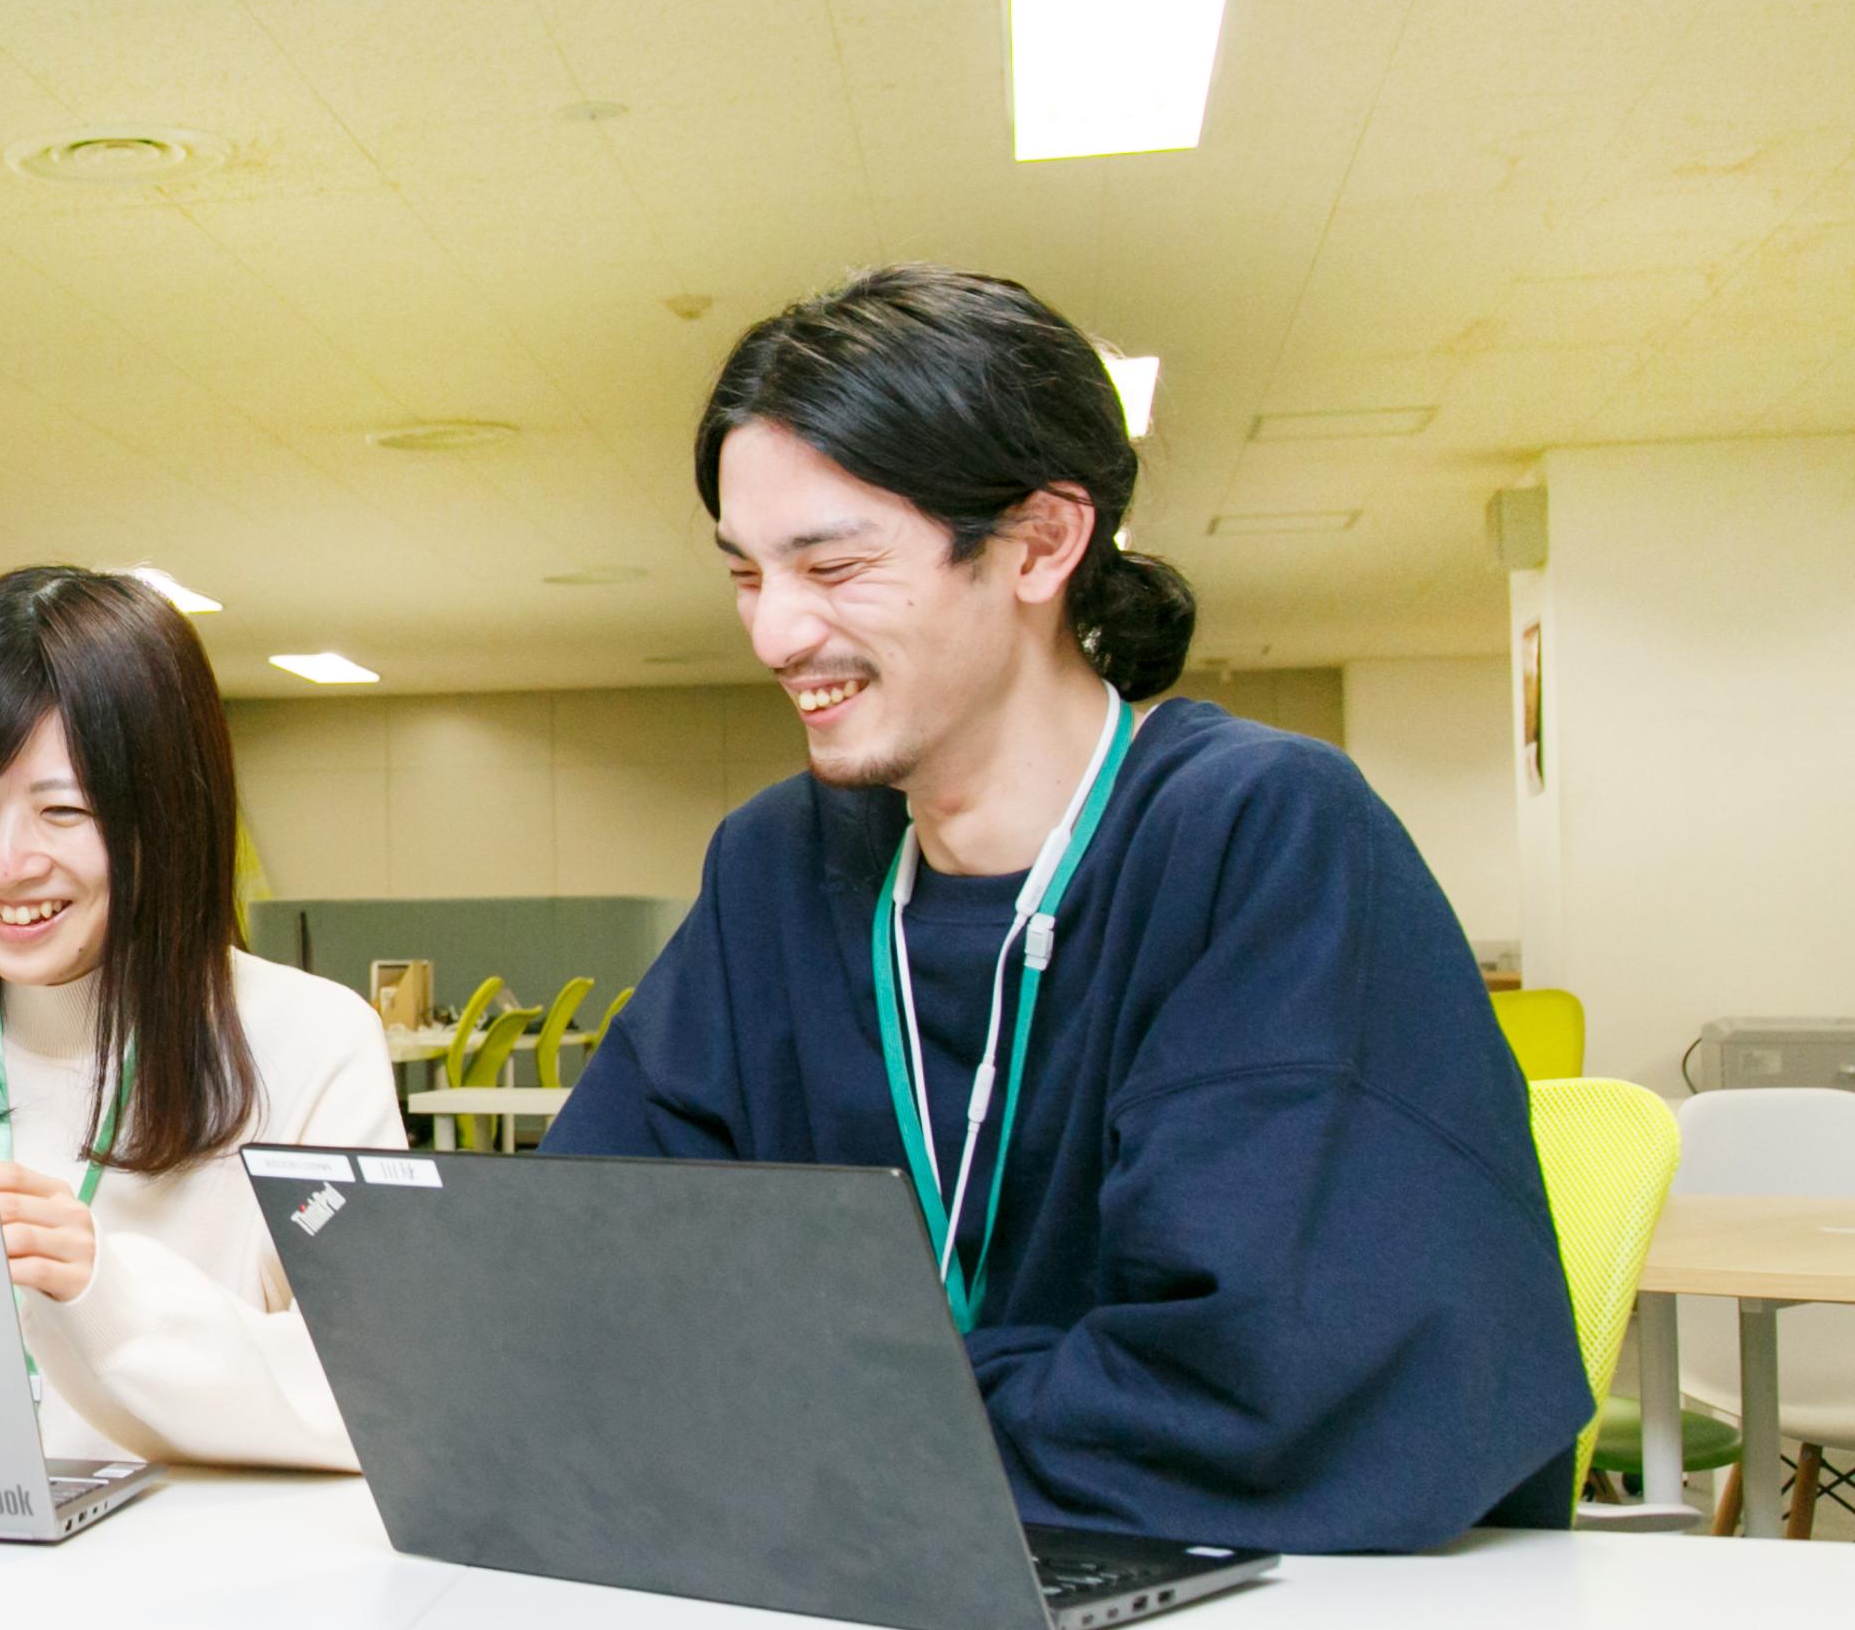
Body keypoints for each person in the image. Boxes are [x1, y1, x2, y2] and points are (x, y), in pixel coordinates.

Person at [542, 265, 1589, 1552]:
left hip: (1242, 1610)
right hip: (860, 1574)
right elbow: (585, 1268)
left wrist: (812, 1409)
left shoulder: (1259, 836)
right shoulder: (776, 867)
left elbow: (1270, 1389)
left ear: (1041, 542)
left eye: (835, 565)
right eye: (748, 575)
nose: (774, 636)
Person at [0, 567, 402, 1470]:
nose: (5, 863)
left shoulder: (311, 1041)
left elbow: (384, 1395)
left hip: (201, 1553)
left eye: (63, 811)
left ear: (169, 817)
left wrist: (107, 1291)